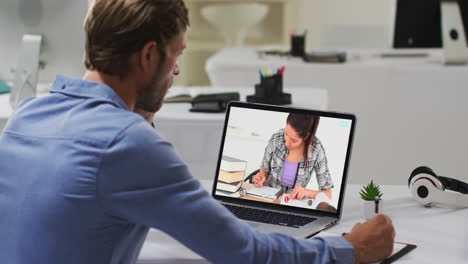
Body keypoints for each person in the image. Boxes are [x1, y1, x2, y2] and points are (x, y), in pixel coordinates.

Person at [0, 1, 395, 263]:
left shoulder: (27, 115)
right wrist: (348, 249)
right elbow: (244, 252)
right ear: (149, 55)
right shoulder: (127, 143)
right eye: (177, 55)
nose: (175, 72)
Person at [253, 113, 333, 202]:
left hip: (292, 204)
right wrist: (261, 177)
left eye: (293, 140)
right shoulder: (276, 139)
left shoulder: (316, 150)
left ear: (306, 136)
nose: (286, 143)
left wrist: (307, 192)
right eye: (286, 133)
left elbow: (328, 194)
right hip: (268, 199)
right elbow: (264, 170)